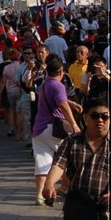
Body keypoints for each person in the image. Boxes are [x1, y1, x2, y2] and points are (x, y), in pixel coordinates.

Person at [31, 56, 81, 205]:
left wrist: (70, 103)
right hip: (54, 128)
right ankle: (67, 187)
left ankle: (39, 194)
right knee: (64, 159)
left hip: (39, 129)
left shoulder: (44, 84)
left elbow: (57, 100)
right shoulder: (58, 85)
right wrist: (74, 124)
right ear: (60, 71)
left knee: (42, 162)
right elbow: (62, 105)